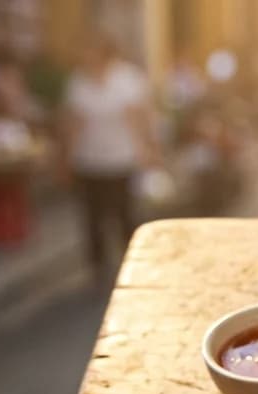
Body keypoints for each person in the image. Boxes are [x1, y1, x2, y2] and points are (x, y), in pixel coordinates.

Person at [60, 32, 156, 278]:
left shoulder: (127, 78)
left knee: (124, 214)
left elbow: (140, 117)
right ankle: (98, 266)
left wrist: (147, 148)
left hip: (121, 158)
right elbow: (74, 122)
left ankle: (133, 262)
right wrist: (68, 157)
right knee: (92, 217)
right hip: (89, 159)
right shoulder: (78, 81)